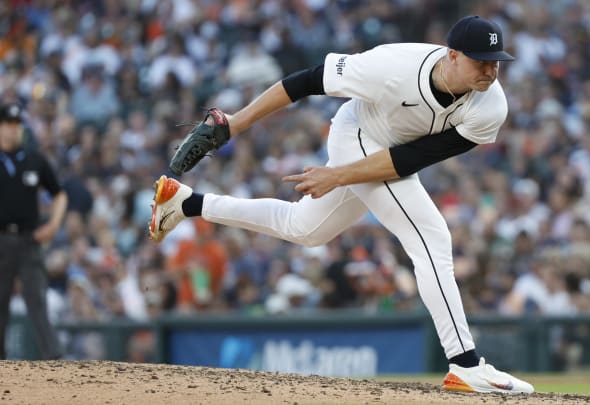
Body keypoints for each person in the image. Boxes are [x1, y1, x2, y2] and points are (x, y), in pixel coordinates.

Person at [150, 16, 534, 394]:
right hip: (356, 132)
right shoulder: (391, 66)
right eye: (479, 59)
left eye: (495, 59)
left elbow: (411, 159)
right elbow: (306, 81)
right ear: (451, 55)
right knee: (431, 238)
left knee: (305, 229)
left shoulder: (490, 107)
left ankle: (186, 203)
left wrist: (339, 175)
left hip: (386, 154)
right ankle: (465, 364)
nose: (489, 69)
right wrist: (236, 123)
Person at [0, 102, 66, 360]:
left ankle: (54, 358)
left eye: (16, 125)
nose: (11, 130)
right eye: (6, 124)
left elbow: (59, 194)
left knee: (37, 301)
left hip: (29, 240)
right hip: (1, 240)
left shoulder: (34, 159)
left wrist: (53, 225)